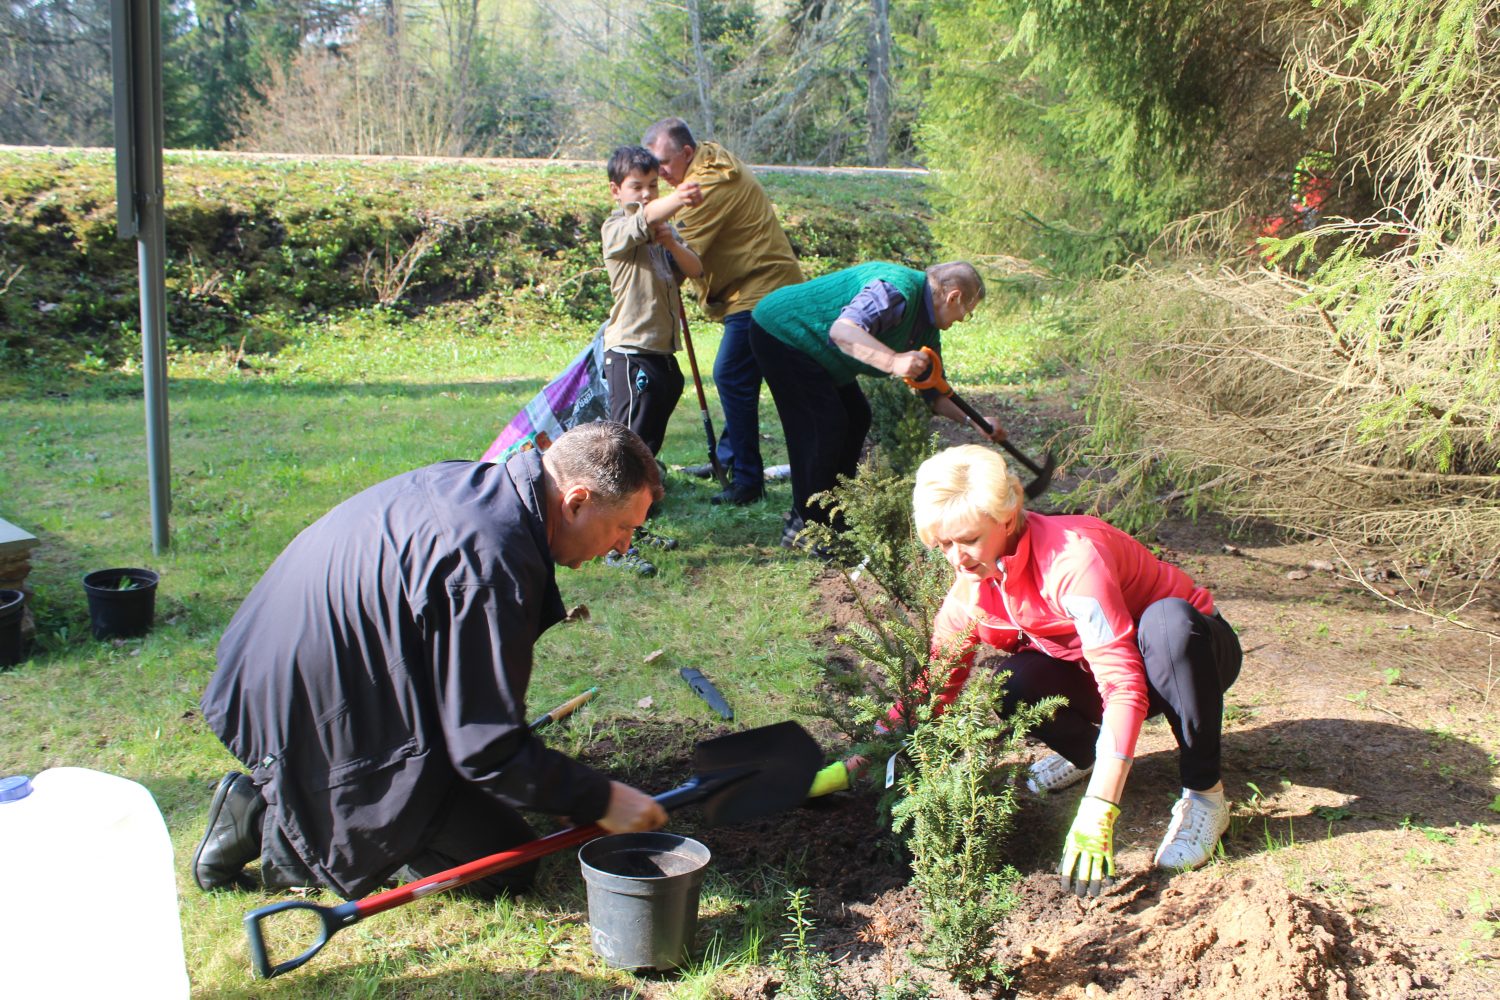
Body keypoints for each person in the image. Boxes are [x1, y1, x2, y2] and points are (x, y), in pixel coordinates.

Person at [191, 422, 670, 900]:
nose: (624, 545)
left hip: (277, 663)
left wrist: (561, 790)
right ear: (577, 501)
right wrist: (601, 798)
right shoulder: (489, 565)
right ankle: (270, 824)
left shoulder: (483, 488)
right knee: (502, 863)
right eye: (625, 527)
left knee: (464, 791)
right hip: (307, 704)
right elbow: (486, 746)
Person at [908, 444, 1243, 896]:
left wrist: (1098, 809)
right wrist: (859, 759)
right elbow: (937, 685)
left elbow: (1123, 684)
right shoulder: (973, 587)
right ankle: (1089, 756)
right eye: (943, 544)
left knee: (1168, 625)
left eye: (967, 539)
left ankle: (1205, 795)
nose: (956, 558)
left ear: (1007, 516)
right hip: (1112, 671)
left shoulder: (1073, 559)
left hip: (1189, 658)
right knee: (1013, 680)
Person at [746, 260, 1005, 547]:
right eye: (966, 313)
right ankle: (808, 528)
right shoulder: (895, 289)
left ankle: (831, 514)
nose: (960, 321)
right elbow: (843, 332)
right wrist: (894, 361)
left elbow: (936, 393)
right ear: (953, 296)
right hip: (785, 332)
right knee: (824, 424)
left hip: (818, 354)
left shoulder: (926, 329)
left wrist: (977, 422)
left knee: (856, 417)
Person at [643, 117, 804, 505]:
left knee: (731, 375)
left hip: (762, 288)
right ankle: (729, 460)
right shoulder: (703, 165)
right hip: (750, 287)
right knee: (740, 376)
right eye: (652, 166)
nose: (659, 173)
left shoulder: (707, 185)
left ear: (686, 152)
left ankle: (748, 481)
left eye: (663, 163)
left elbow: (682, 255)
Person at [598, 145, 704, 574]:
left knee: (645, 454)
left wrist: (672, 239)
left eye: (652, 186)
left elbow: (694, 269)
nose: (645, 195)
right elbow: (639, 219)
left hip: (662, 355)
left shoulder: (660, 235)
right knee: (622, 453)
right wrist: (674, 200)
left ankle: (632, 529)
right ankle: (610, 543)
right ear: (615, 191)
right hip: (630, 354)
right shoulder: (617, 228)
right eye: (636, 187)